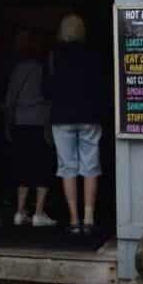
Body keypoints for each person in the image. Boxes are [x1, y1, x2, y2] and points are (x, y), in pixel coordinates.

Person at [45, 13, 105, 235]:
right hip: (89, 115)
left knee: (67, 167)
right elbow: (102, 85)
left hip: (62, 116)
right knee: (90, 166)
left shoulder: (54, 56)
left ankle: (73, 219)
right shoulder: (93, 55)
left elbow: (46, 90)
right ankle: (89, 218)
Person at [3, 29, 57, 227]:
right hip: (41, 123)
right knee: (42, 166)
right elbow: (51, 96)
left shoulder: (18, 69)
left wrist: (8, 125)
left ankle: (19, 212)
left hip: (20, 122)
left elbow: (9, 100)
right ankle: (38, 213)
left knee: (22, 166)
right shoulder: (45, 68)